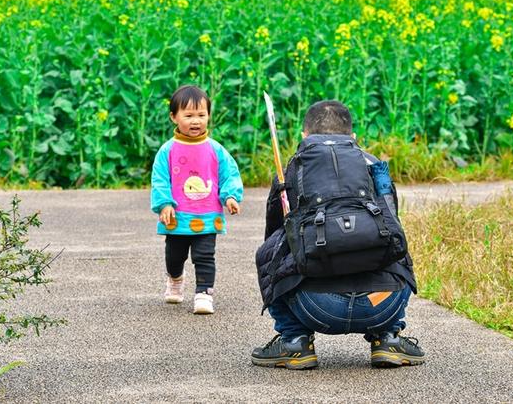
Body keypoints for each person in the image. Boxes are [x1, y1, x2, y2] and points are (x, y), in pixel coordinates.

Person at [251, 100, 424, 369]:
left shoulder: (292, 169)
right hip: (380, 304)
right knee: (397, 243)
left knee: (271, 251)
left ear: (304, 136)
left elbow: (274, 233)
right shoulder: (375, 166)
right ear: (353, 138)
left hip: (316, 307)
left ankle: (295, 341)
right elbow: (393, 225)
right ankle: (387, 337)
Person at [151, 85, 243, 314]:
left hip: (207, 215)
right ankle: (175, 278)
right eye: (189, 115)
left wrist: (230, 196)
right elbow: (160, 179)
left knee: (204, 256)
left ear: (209, 116)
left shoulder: (216, 149)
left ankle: (204, 293)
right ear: (174, 117)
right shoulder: (167, 150)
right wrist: (164, 203)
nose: (196, 121)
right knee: (175, 257)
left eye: (201, 115)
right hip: (177, 217)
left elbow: (229, 174)